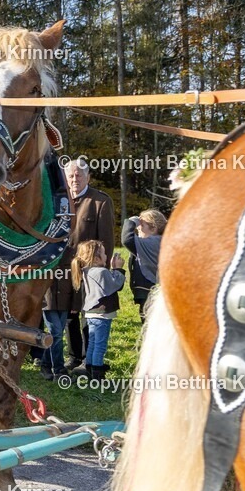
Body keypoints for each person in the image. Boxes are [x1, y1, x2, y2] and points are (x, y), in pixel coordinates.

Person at [39, 158, 115, 379]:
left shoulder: (100, 201)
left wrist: (105, 268)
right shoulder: (56, 200)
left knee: (86, 314)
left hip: (87, 271)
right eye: (71, 176)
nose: (74, 179)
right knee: (64, 315)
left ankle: (88, 358)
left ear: (88, 177)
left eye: (79, 175)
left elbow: (107, 241)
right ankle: (71, 357)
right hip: (59, 269)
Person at [70, 240, 125, 380]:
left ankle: (90, 366)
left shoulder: (87, 270)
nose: (107, 255)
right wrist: (118, 269)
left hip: (90, 313)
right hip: (102, 315)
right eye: (103, 253)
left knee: (93, 343)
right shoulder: (101, 272)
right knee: (100, 345)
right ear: (95, 258)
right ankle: (97, 373)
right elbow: (115, 285)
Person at [121, 209, 166, 320]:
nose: (138, 228)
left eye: (142, 225)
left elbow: (127, 239)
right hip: (156, 290)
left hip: (149, 291)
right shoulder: (161, 241)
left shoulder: (152, 243)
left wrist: (132, 221)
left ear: (154, 228)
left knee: (150, 325)